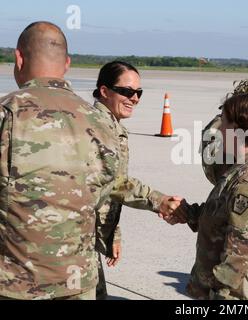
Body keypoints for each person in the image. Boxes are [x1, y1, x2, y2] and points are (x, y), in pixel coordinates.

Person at [0, 21, 120, 300]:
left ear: (18, 58)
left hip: (14, 285)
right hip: (77, 283)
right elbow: (107, 191)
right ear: (66, 64)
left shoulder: (7, 113)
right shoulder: (99, 121)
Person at [92, 61, 185, 300]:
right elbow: (115, 182)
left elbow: (105, 190)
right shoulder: (98, 128)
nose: (134, 98)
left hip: (90, 234)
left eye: (138, 93)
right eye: (127, 91)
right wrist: (160, 201)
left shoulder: (112, 127)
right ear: (104, 91)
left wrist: (113, 233)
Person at [181, 93, 248, 300]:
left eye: (224, 122)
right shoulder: (243, 169)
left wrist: (219, 289)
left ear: (238, 128)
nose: (219, 130)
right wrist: (188, 213)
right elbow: (228, 216)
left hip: (240, 293)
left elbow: (243, 243)